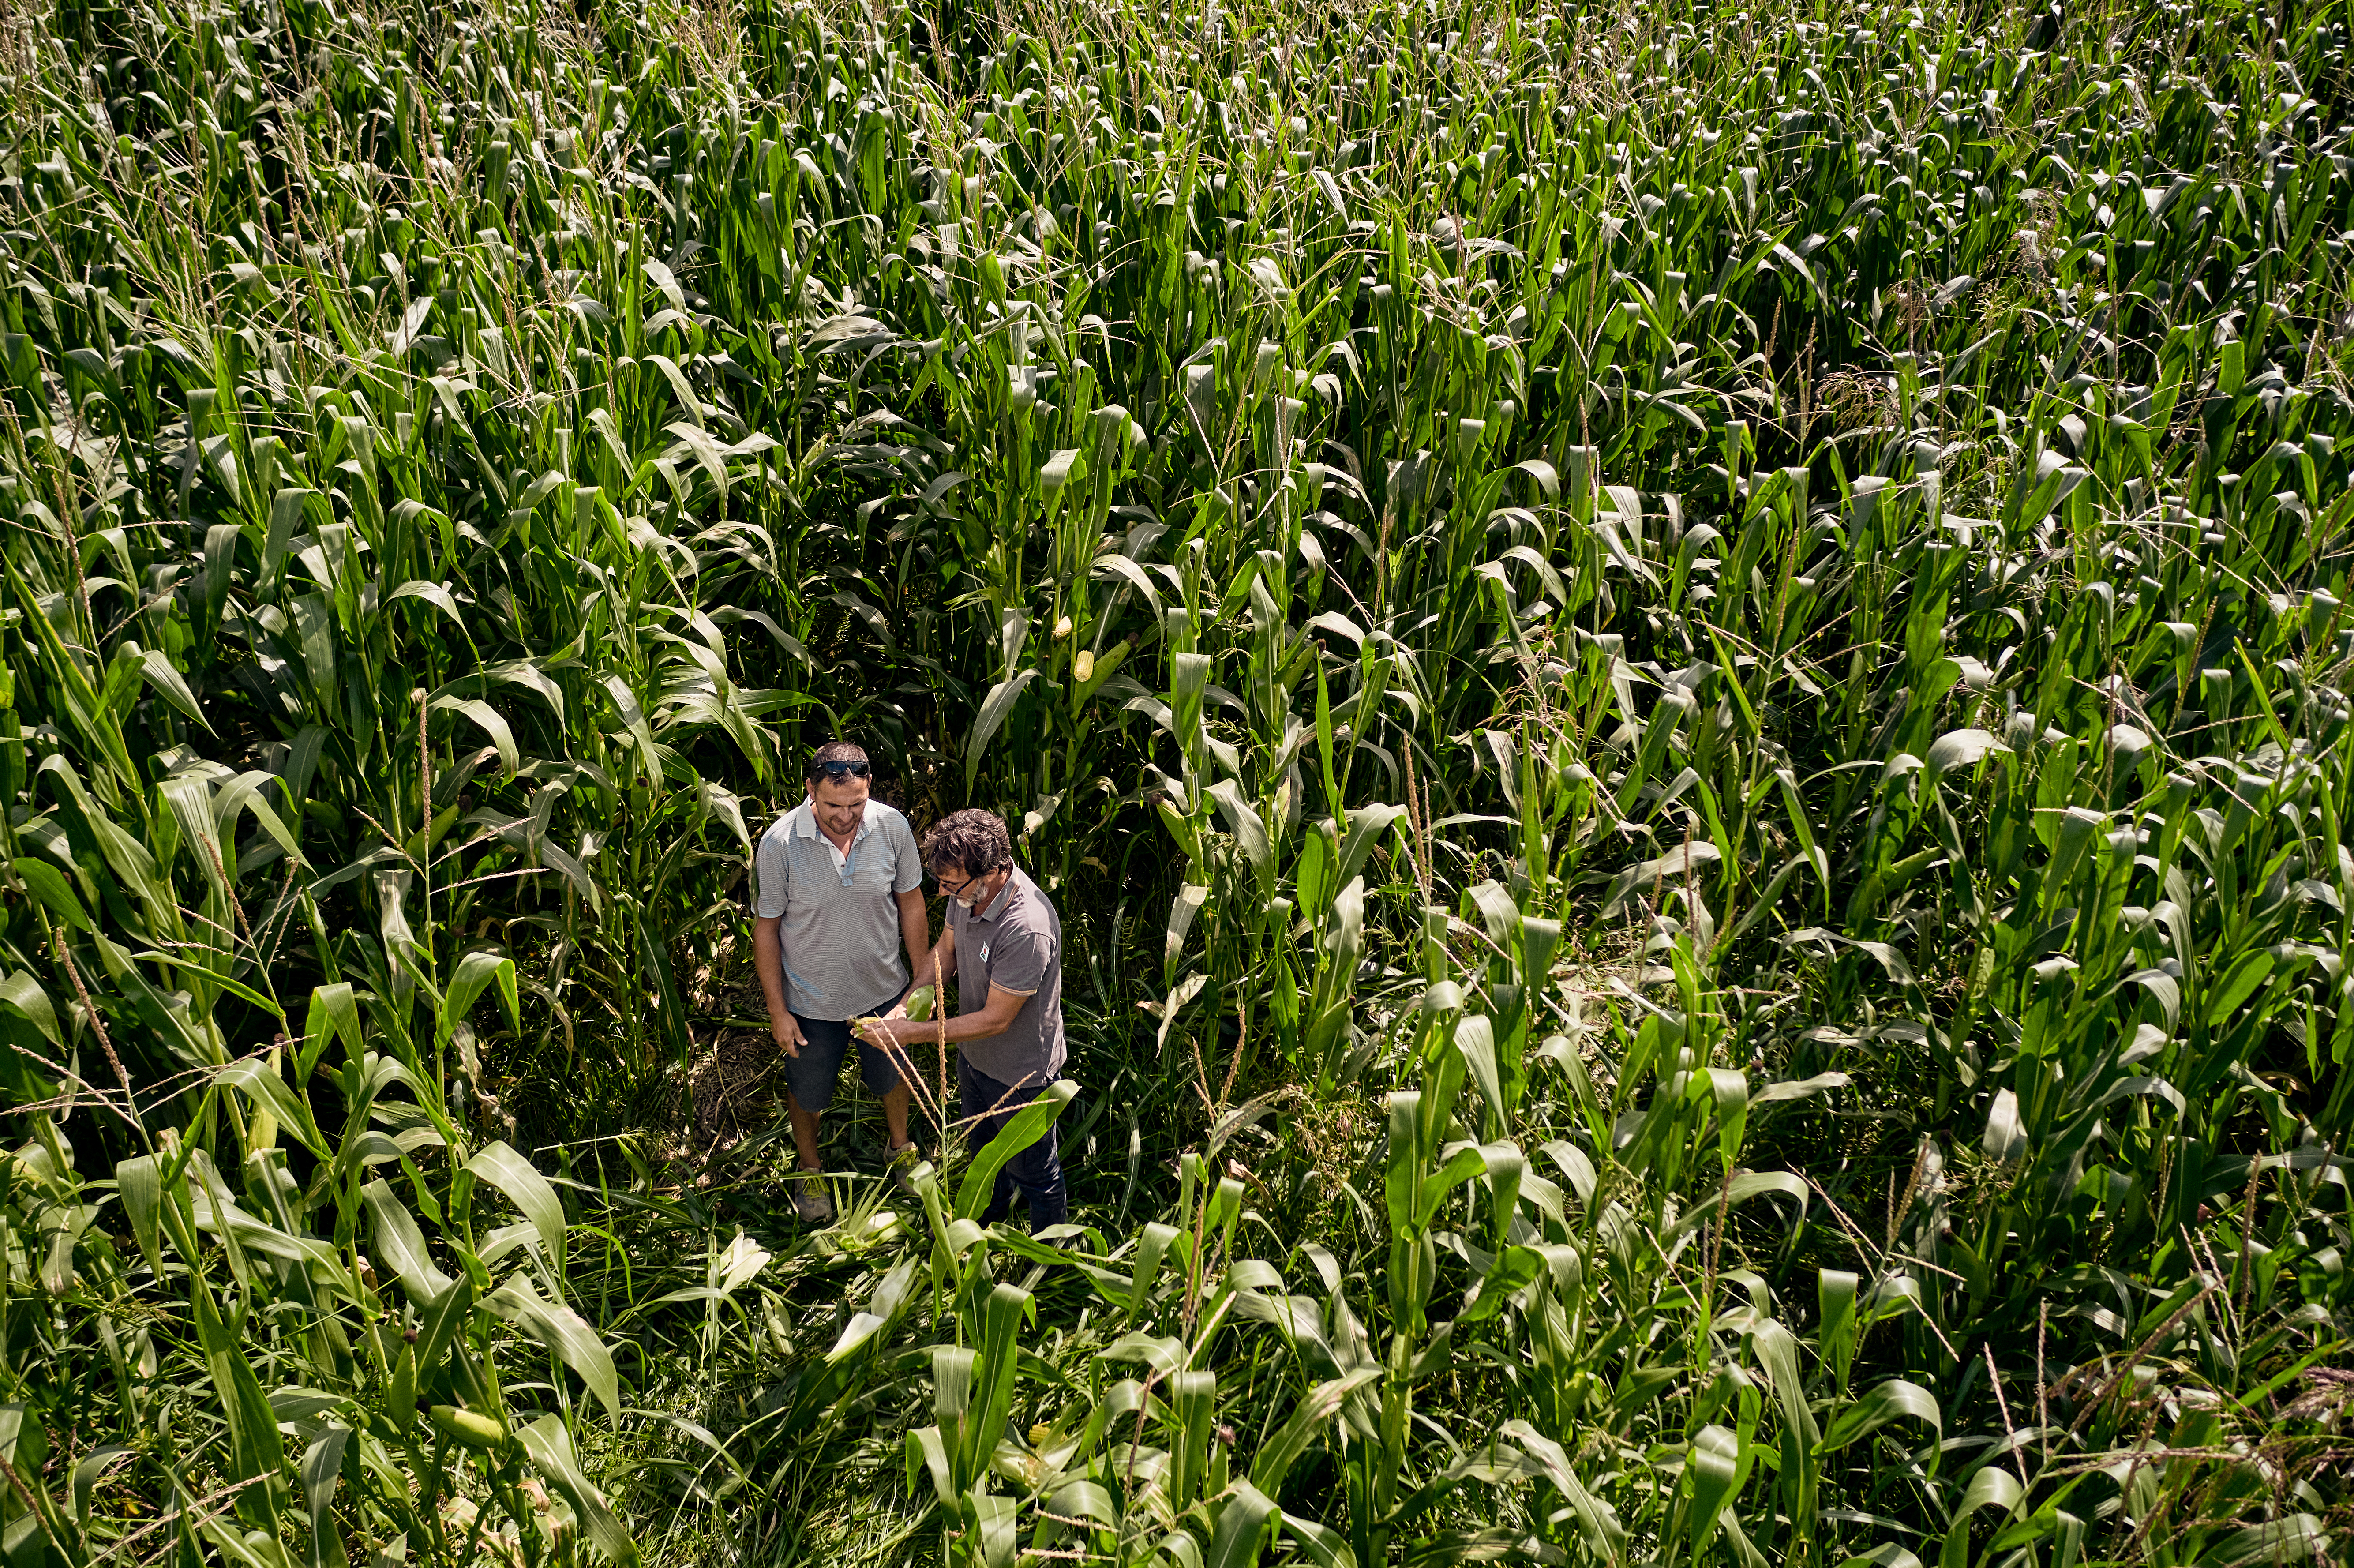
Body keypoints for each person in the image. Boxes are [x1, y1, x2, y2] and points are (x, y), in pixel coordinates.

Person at [857, 809, 1066, 1233]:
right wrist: (912, 1001)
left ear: (991, 871)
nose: (942, 893)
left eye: (951, 883)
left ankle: (1048, 1258)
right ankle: (986, 1223)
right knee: (984, 1153)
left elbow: (995, 1020)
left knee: (1034, 1172)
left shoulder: (1026, 929)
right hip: (974, 1059)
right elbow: (945, 952)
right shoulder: (966, 896)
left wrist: (910, 1035)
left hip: (1019, 1074)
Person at [752, 741, 931, 1223]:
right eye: (833, 806)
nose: (845, 816)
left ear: (868, 788)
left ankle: (901, 1147)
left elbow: (911, 902)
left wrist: (920, 982)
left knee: (892, 1077)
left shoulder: (891, 826)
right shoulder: (779, 844)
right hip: (810, 1001)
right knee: (807, 1092)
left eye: (856, 803)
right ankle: (810, 1168)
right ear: (810, 790)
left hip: (885, 991)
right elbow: (766, 927)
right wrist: (777, 1009)